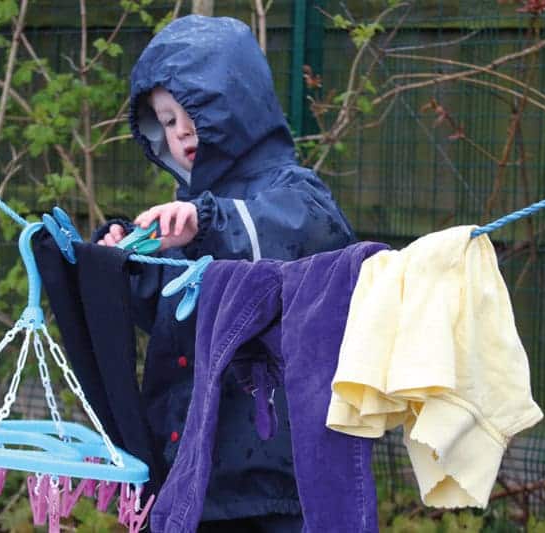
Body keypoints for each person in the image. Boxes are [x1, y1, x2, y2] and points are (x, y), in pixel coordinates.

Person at [94, 15, 356, 532]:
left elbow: (308, 238)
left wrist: (209, 221)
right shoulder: (185, 211)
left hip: (266, 472)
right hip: (188, 463)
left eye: (193, 110)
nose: (181, 129)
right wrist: (131, 263)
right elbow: (176, 314)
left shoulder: (291, 191)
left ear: (236, 105)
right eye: (165, 121)